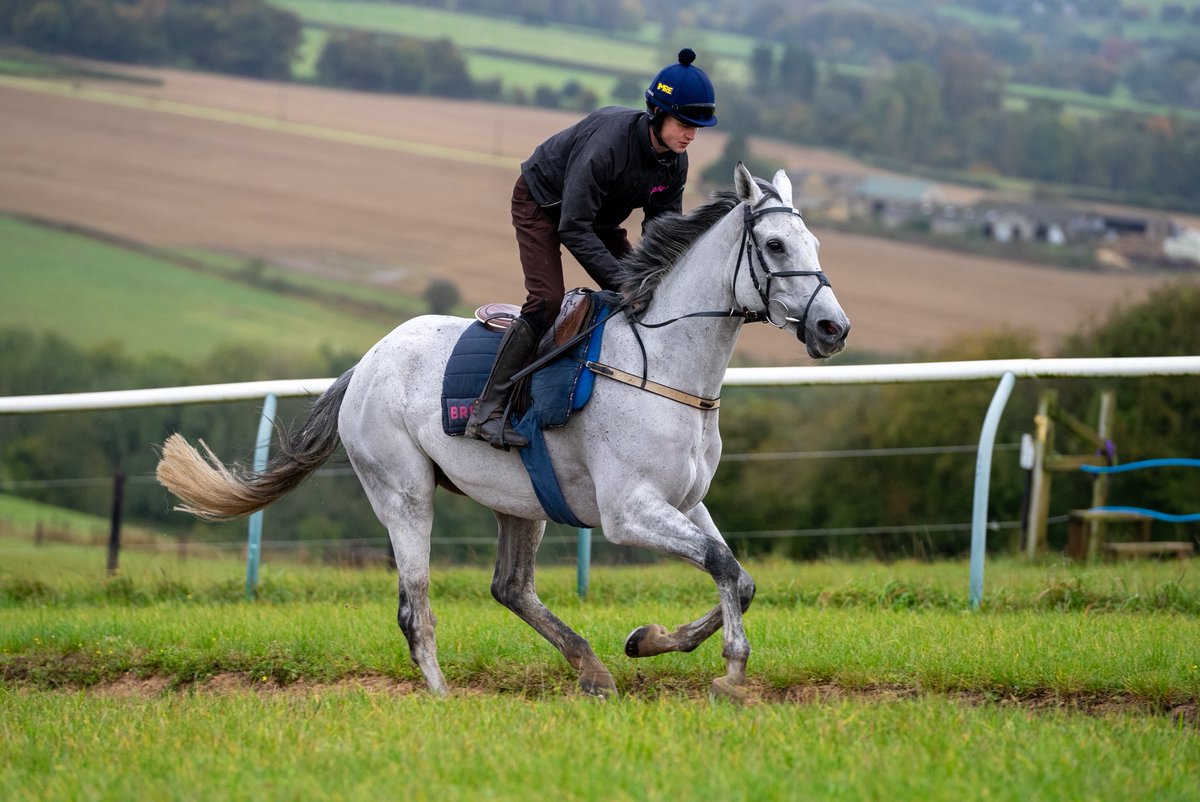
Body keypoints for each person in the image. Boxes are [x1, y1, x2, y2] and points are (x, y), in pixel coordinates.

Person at [465, 48, 718, 449]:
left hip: (594, 217)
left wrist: (660, 280)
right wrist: (625, 283)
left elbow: (661, 235)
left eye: (698, 127)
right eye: (685, 122)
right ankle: (488, 411)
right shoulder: (609, 145)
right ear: (657, 113)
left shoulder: (675, 163)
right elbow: (572, 226)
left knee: (651, 292)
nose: (691, 134)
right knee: (546, 301)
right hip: (543, 205)